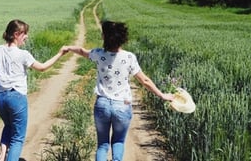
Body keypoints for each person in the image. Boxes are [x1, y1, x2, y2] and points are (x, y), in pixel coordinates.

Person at [65, 20, 174, 161]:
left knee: (102, 145)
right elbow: (145, 80)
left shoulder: (98, 54)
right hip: (122, 105)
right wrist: (162, 95)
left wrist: (68, 48)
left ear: (104, 36)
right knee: (118, 142)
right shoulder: (129, 57)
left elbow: (81, 51)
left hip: (102, 104)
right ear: (123, 38)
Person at [0, 19, 68, 161]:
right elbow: (42, 68)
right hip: (16, 97)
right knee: (18, 137)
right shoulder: (23, 54)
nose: (27, 36)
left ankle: (2, 156)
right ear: (16, 34)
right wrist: (60, 54)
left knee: (8, 125)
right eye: (25, 33)